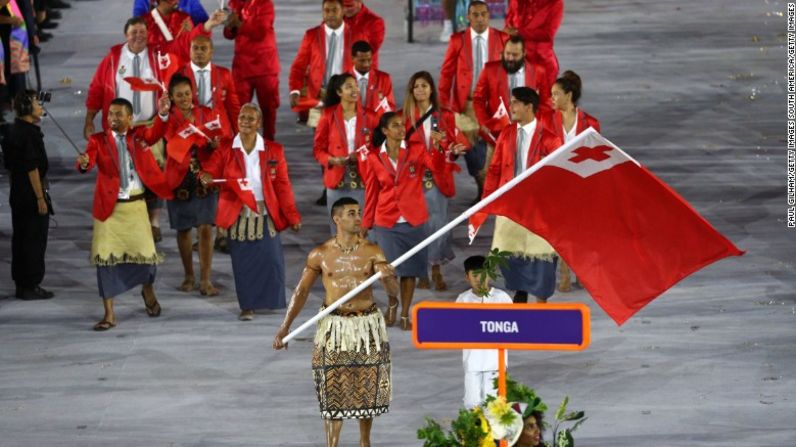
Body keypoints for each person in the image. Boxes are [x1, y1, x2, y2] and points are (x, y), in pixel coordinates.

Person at [272, 197, 398, 447]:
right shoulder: (320, 254)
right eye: (351, 213)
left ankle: (365, 442)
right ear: (337, 219)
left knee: (367, 385)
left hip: (366, 326)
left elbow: (392, 292)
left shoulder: (373, 251)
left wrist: (387, 278)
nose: (357, 217)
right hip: (334, 326)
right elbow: (301, 291)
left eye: (359, 212)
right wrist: (285, 326)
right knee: (332, 387)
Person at [77, 96, 172, 331]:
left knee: (147, 257)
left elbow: (156, 133)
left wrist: (162, 114)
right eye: (110, 114)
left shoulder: (139, 137)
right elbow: (87, 162)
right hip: (109, 211)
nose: (113, 118)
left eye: (119, 114)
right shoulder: (98, 140)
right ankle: (109, 314)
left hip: (136, 207)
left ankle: (147, 290)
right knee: (105, 261)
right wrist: (83, 162)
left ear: (130, 119)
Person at [199, 103, 301, 320]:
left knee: (271, 260)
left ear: (259, 123)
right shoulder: (225, 147)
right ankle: (247, 305)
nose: (245, 122)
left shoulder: (274, 150)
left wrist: (293, 216)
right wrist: (205, 176)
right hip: (238, 213)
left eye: (250, 118)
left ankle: (270, 301)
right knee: (243, 262)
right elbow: (210, 171)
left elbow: (283, 185)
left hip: (266, 212)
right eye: (242, 118)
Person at [362, 111, 446, 330]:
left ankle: (406, 313)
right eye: (395, 125)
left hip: (414, 220)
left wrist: (437, 148)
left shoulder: (416, 149)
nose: (401, 129)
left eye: (402, 125)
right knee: (387, 271)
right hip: (386, 221)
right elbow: (371, 191)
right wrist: (366, 223)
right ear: (385, 131)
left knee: (410, 271)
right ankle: (392, 302)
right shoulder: (373, 157)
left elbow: (434, 167)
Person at [482, 87, 561, 304]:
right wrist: (488, 201)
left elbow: (559, 178)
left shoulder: (550, 139)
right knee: (510, 256)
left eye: (516, 102)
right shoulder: (506, 134)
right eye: (511, 102)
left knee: (541, 261)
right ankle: (520, 298)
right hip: (510, 207)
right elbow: (495, 169)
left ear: (529, 107)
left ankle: (541, 308)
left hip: (539, 210)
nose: (511, 106)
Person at [162, 73, 232, 296]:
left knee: (205, 228)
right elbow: (172, 144)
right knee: (183, 229)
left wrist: (214, 143)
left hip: (205, 177)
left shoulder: (207, 112)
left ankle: (205, 279)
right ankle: (188, 275)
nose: (184, 98)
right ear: (171, 97)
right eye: (178, 95)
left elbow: (222, 138)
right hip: (179, 178)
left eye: (186, 93)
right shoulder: (167, 118)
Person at [401, 71, 467, 291]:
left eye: (424, 86)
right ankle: (420, 270)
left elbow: (458, 143)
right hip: (413, 178)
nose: (420, 90)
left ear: (431, 89)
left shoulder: (445, 116)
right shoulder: (403, 117)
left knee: (438, 225)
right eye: (416, 86)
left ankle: (437, 269)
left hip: (438, 178)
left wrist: (455, 150)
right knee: (416, 225)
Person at [438, 0, 507, 202]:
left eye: (483, 14)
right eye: (475, 15)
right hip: (466, 105)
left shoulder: (502, 38)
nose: (479, 19)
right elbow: (446, 74)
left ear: (489, 16)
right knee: (471, 146)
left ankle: (490, 191)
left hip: (494, 106)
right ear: (468, 17)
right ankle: (482, 189)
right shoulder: (457, 40)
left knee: (493, 149)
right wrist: (444, 105)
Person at [545, 70, 600, 292]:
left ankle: (581, 272)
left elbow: (596, 156)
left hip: (581, 183)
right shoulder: (547, 121)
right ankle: (564, 273)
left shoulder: (591, 123)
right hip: (555, 184)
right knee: (560, 231)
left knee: (581, 232)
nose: (552, 98)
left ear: (568, 95)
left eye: (556, 94)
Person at [3, 90, 53, 300]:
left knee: (21, 238)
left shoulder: (13, 131)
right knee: (34, 239)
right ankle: (31, 284)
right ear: (26, 108)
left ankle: (22, 284)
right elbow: (32, 168)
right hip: (31, 194)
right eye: (36, 102)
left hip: (18, 193)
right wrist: (40, 198)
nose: (41, 106)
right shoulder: (29, 134)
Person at [313, 73, 378, 233]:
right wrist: (333, 160)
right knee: (339, 231)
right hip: (337, 181)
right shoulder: (327, 116)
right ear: (339, 92)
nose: (355, 89)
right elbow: (318, 150)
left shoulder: (371, 116)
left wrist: (365, 157)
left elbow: (379, 148)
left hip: (364, 180)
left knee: (365, 231)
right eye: (349, 86)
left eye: (356, 85)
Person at [455, 255, 512, 408]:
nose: (479, 279)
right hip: (472, 362)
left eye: (483, 274)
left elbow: (512, 326)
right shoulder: (462, 299)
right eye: (475, 275)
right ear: (467, 277)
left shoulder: (502, 298)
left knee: (493, 405)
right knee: (471, 404)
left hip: (495, 362)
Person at [223, 0, 280, 140]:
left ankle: (268, 148)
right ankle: (240, 149)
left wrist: (237, 23)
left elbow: (260, 32)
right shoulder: (234, 3)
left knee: (268, 112)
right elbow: (228, 34)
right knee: (238, 110)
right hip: (242, 67)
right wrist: (228, 23)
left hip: (264, 66)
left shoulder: (266, 4)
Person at [288, 0, 352, 116]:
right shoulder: (311, 35)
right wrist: (295, 90)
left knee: (344, 132)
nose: (330, 14)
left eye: (334, 10)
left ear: (343, 11)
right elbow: (298, 66)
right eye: (326, 11)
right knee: (319, 133)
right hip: (318, 96)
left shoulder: (356, 35)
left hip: (345, 95)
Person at [179, 35, 240, 133]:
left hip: (221, 134)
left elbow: (233, 108)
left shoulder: (225, 74)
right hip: (191, 133)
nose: (199, 52)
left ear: (211, 52)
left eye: (203, 48)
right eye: (195, 48)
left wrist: (240, 136)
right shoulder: (179, 75)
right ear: (189, 51)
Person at [141, 0, 226, 63]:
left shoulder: (184, 17)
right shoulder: (145, 22)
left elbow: (195, 44)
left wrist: (206, 26)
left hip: (183, 72)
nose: (176, 2)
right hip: (158, 71)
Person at [505, 0, 563, 87]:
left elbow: (548, 34)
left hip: (541, 64)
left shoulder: (554, 3)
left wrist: (519, 32)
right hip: (515, 63)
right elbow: (508, 25)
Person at [349, 40, 394, 115]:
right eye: (362, 61)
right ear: (352, 58)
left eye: (369, 60)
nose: (366, 64)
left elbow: (390, 106)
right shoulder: (343, 79)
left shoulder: (384, 78)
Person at [341, 0, 384, 68]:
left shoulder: (375, 22)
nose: (346, 9)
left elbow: (370, 51)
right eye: (342, 6)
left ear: (359, 2)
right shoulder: (337, 18)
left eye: (350, 6)